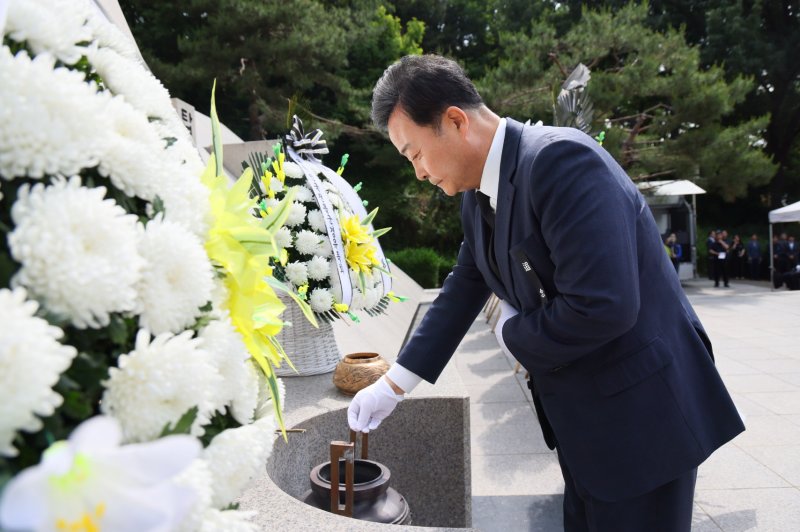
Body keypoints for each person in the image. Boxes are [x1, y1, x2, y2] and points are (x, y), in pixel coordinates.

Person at [347, 55, 744, 532]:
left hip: (642, 424)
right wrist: (394, 385)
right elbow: (464, 286)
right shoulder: (477, 196)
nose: (419, 173)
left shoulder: (560, 160)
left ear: (454, 121)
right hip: (588, 427)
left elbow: (604, 306)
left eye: (414, 154)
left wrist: (514, 335)